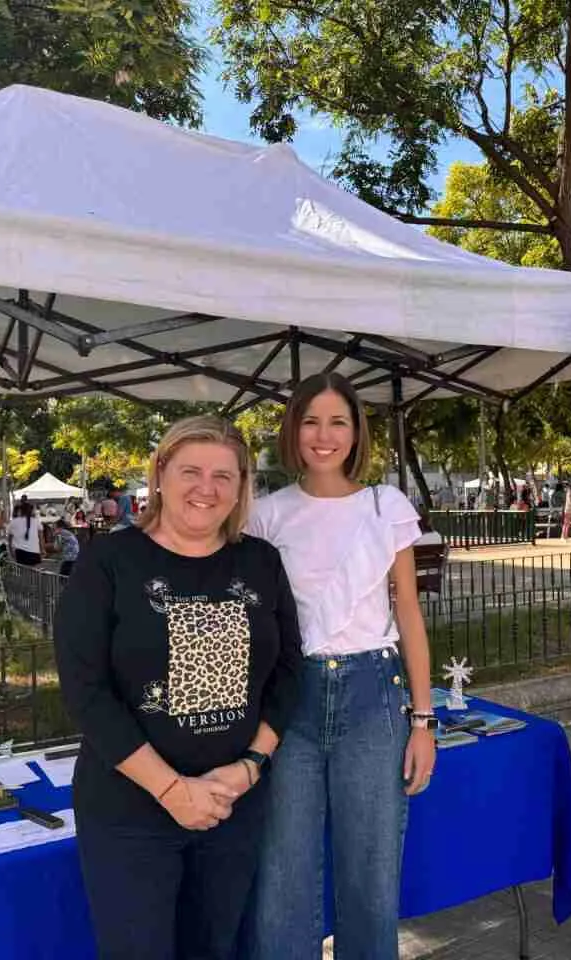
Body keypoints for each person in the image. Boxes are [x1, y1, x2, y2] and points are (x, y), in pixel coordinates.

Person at [54, 415, 302, 960]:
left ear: (241, 487)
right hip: (129, 813)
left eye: (224, 476)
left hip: (231, 807)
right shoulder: (108, 563)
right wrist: (172, 791)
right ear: (160, 473)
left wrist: (250, 767)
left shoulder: (261, 562)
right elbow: (86, 691)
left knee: (215, 948)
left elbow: (289, 672)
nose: (206, 489)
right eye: (191, 471)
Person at [245, 372, 436, 960]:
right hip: (290, 699)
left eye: (338, 422)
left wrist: (424, 723)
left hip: (373, 695)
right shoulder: (267, 515)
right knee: (284, 877)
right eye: (310, 421)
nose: (323, 436)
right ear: (292, 430)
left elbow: (408, 614)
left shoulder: (387, 506)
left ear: (356, 433)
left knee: (371, 874)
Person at [8, 501, 43, 567]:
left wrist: (11, 552)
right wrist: (42, 551)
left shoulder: (13, 522)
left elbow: (9, 540)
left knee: (22, 574)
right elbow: (41, 539)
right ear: (31, 511)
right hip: (34, 554)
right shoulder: (36, 521)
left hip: (20, 554)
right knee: (33, 575)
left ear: (20, 510)